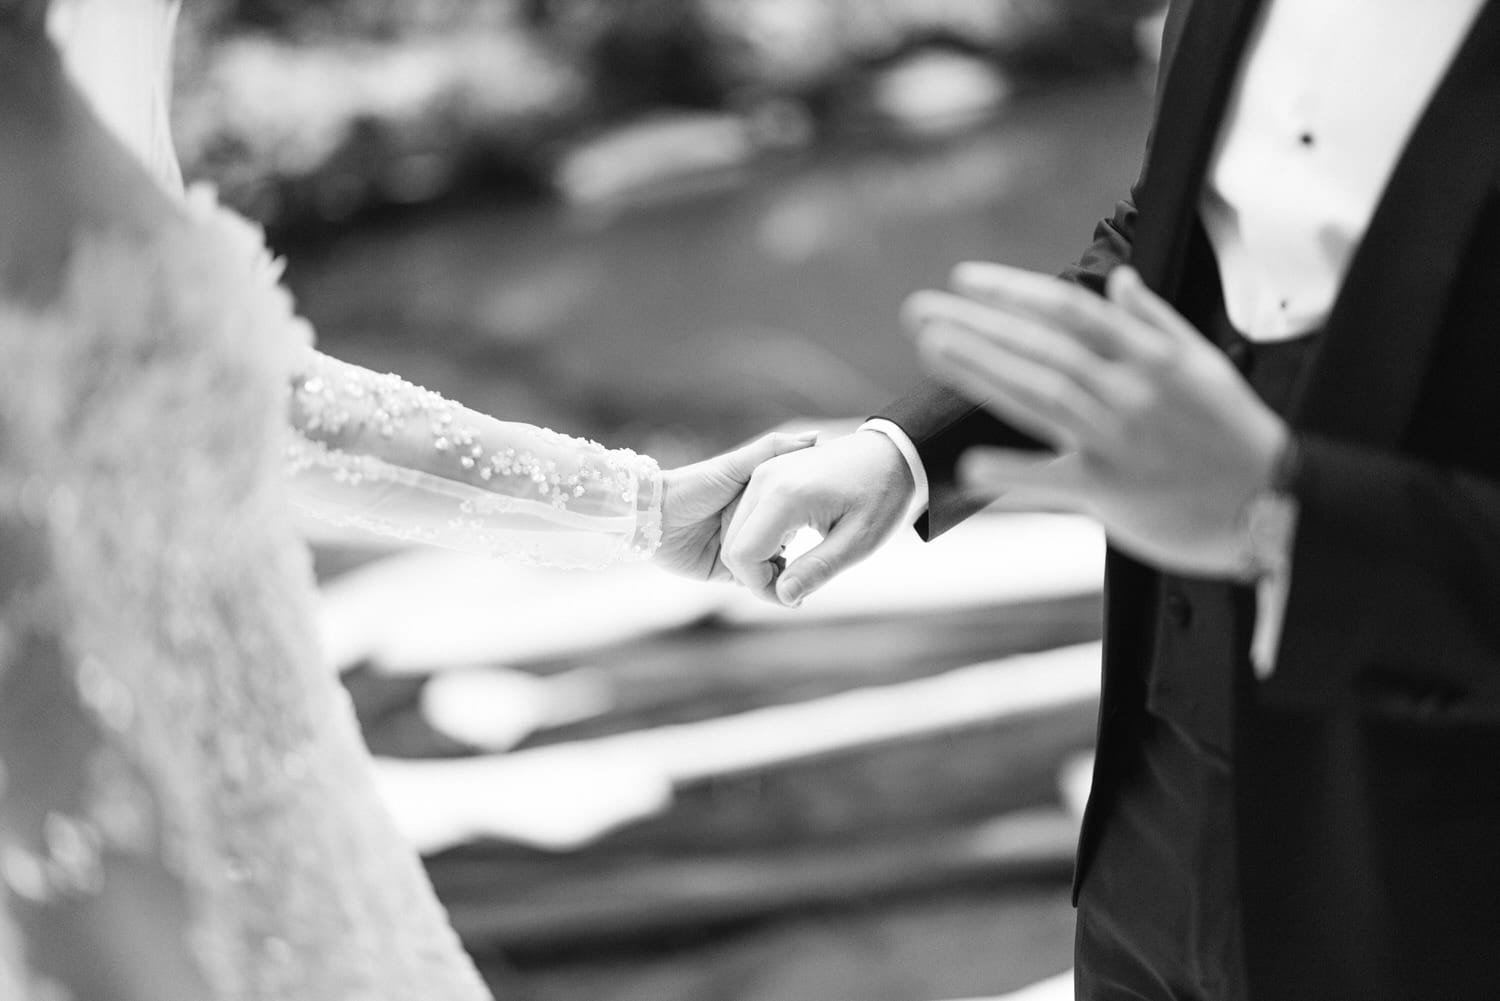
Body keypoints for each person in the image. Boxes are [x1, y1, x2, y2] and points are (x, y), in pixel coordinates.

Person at [0, 1, 812, 996]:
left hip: (312, 850)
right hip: (127, 895)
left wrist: (637, 505)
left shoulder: (58, 82)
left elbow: (258, 392)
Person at [722, 0, 1500, 998]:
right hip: (1153, 816)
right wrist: (909, 452)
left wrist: (1284, 520)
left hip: (1439, 870)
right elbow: (1175, 235)